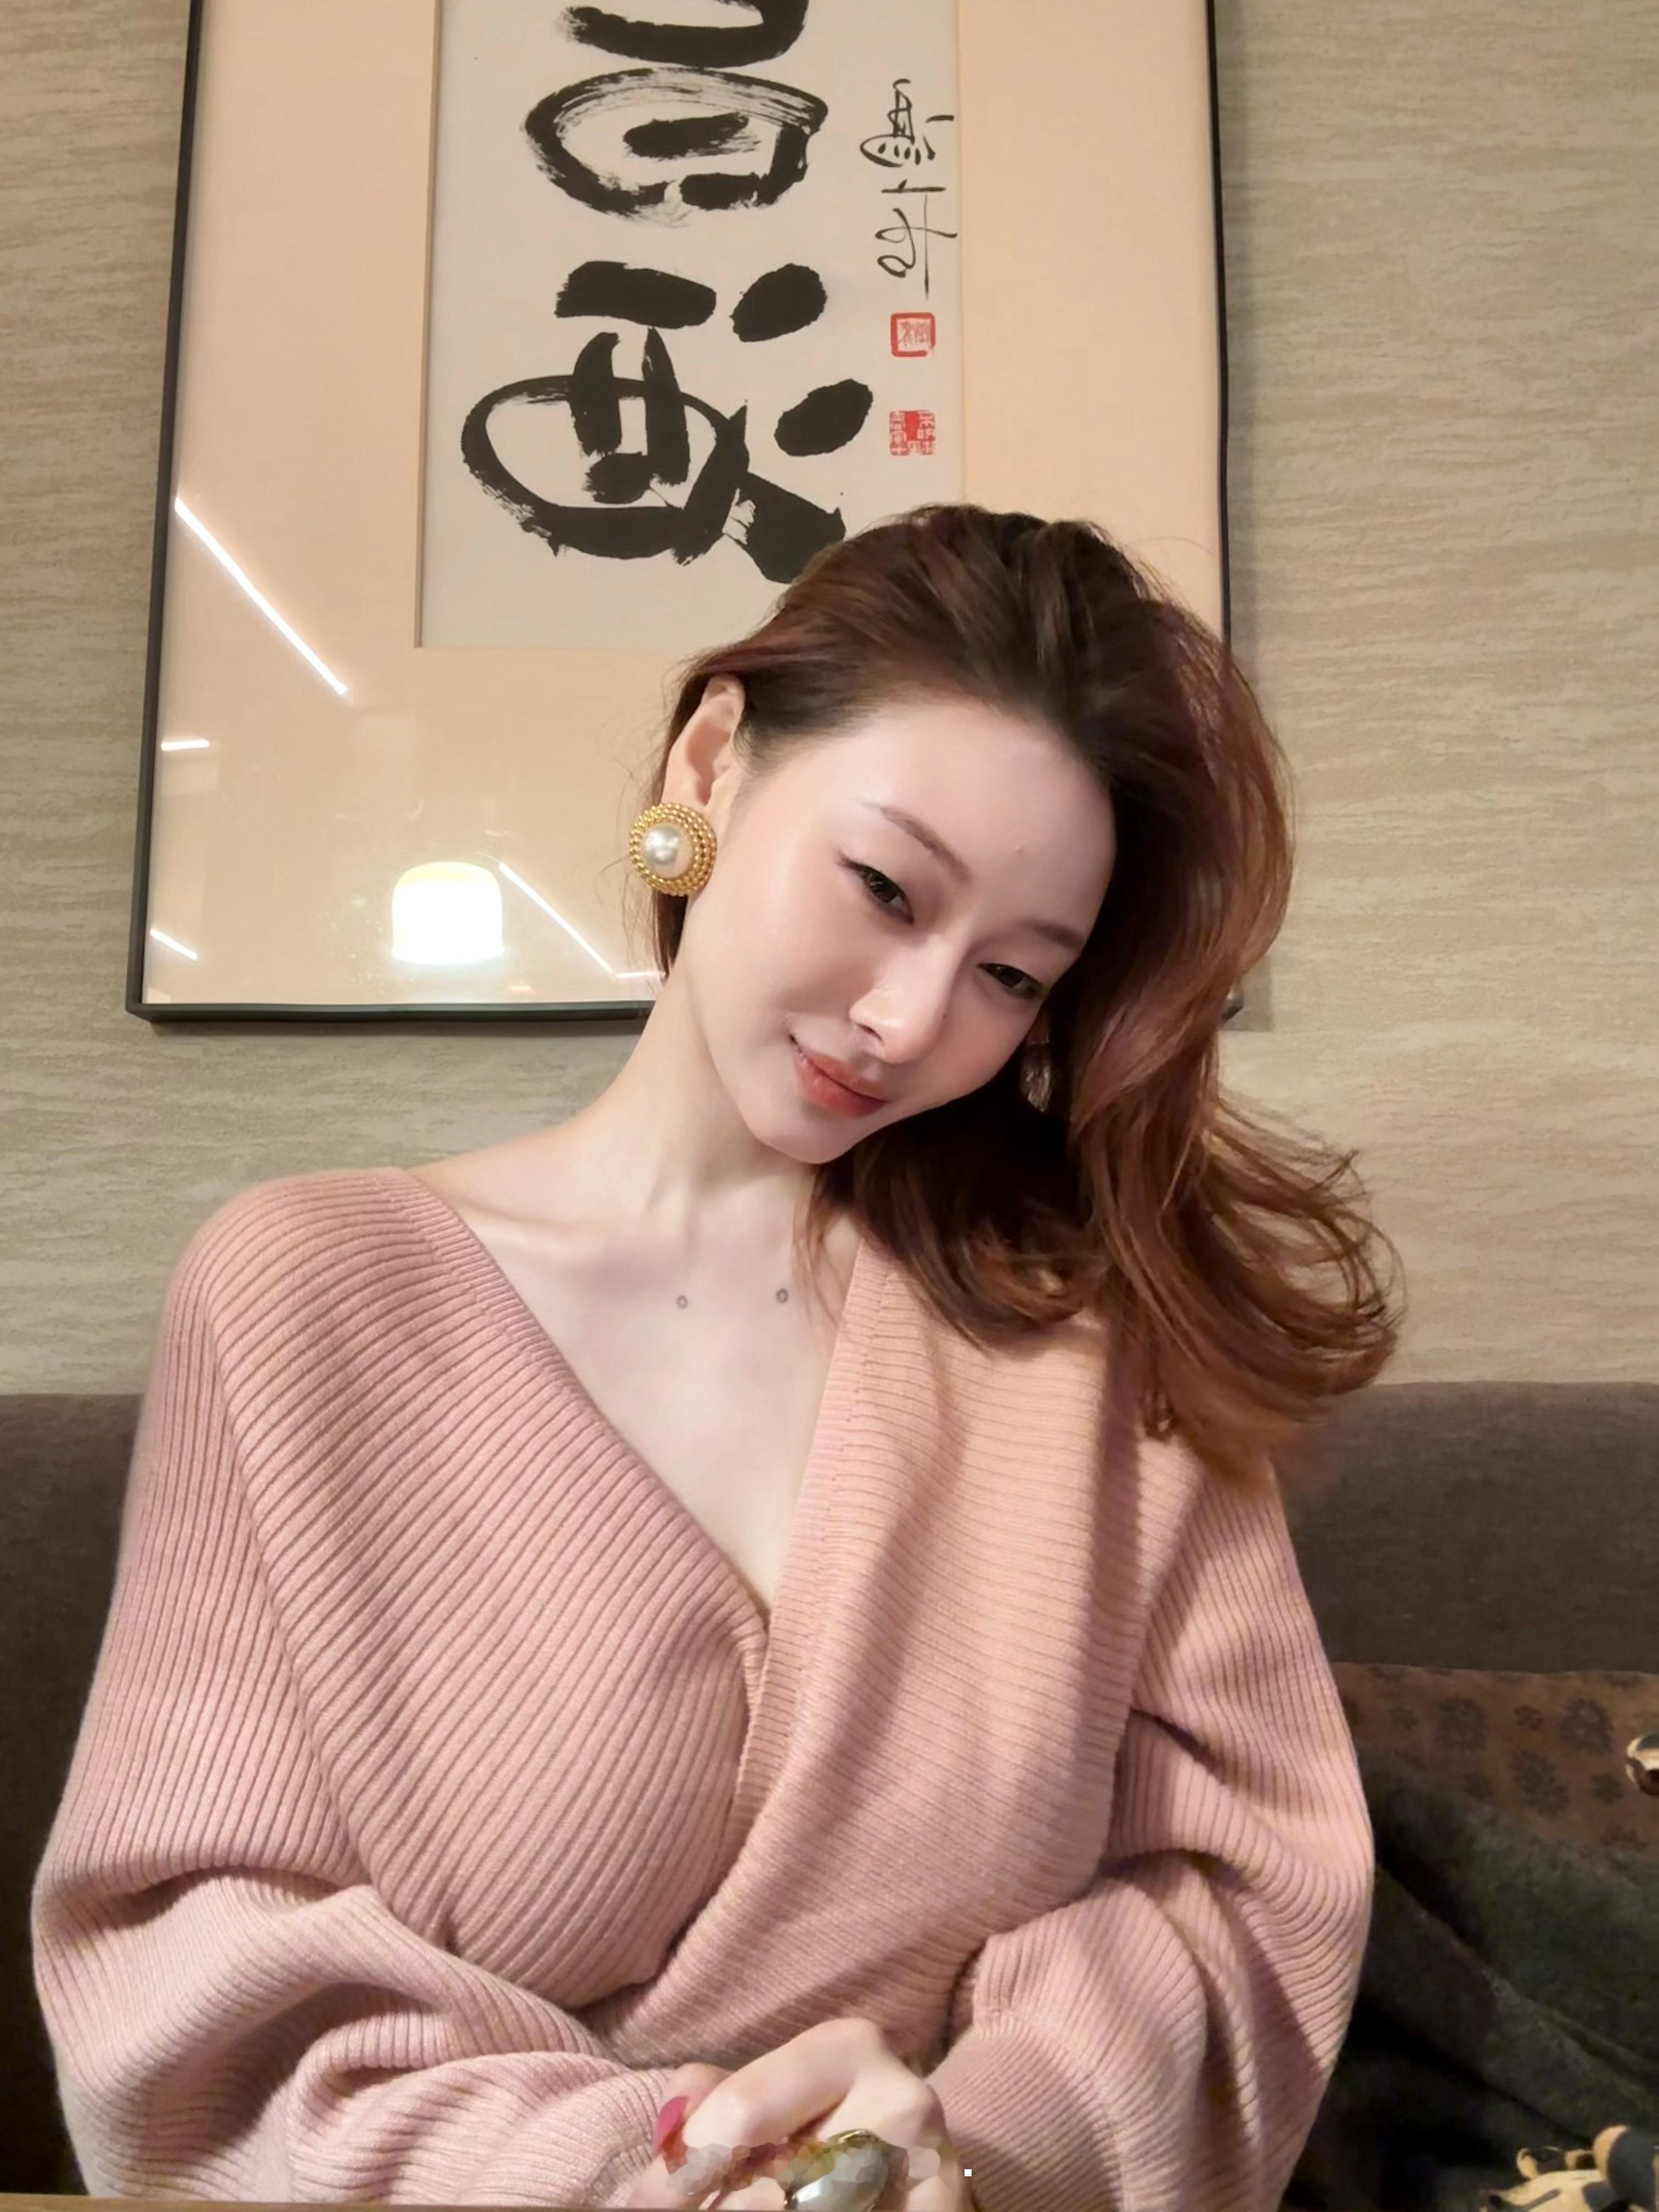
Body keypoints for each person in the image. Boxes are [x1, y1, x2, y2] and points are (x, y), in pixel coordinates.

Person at [31, 505, 1402, 2212]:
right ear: (711, 763)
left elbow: (1240, 1888)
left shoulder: (1096, 1353)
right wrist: (675, 2180)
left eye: (1008, 976)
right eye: (884, 890)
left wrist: (961, 2152)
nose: (909, 1021)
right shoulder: (308, 1299)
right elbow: (189, 1960)